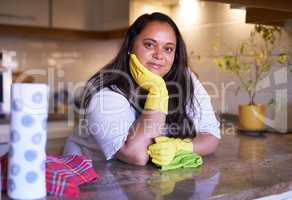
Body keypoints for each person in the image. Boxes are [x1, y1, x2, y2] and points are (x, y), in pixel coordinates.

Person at [63, 12, 220, 166]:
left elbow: (211, 136)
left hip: (137, 181)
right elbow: (137, 156)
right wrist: (158, 91)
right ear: (131, 46)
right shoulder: (106, 95)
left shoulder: (185, 78)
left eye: (168, 49)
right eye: (149, 45)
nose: (159, 55)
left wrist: (181, 147)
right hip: (89, 180)